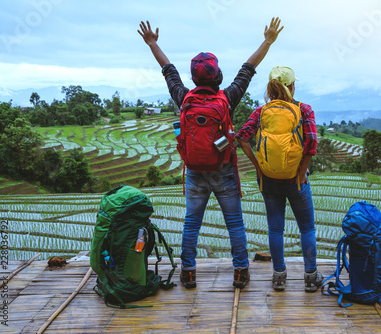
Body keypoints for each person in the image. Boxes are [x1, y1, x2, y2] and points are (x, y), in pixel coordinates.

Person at [138, 18, 284, 289]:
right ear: (217, 76)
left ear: (194, 78)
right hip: (223, 169)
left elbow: (167, 69)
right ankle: (241, 272)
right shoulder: (227, 98)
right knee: (235, 225)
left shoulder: (184, 97)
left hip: (194, 170)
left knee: (191, 224)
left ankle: (188, 273)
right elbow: (248, 70)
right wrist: (268, 41)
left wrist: (152, 43)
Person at [236, 66, 323, 292]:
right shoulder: (304, 109)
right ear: (292, 86)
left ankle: (279, 277)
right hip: (296, 180)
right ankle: (311, 277)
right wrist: (302, 173)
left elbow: (242, 138)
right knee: (307, 229)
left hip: (269, 180)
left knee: (275, 229)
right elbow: (312, 145)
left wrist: (258, 167)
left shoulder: (262, 111)